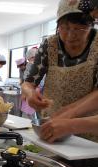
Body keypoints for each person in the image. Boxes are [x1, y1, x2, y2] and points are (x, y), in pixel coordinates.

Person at [21, 0, 98, 142]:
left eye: (79, 29)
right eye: (65, 28)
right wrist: (30, 94)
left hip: (88, 127)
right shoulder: (50, 45)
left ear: (91, 25)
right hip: (52, 121)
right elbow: (28, 83)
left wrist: (70, 113)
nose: (70, 35)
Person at [20, 48, 38, 119]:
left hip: (30, 92)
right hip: (32, 92)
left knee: (28, 114)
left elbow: (27, 80)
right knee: (30, 114)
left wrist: (24, 93)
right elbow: (28, 80)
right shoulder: (34, 65)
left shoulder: (31, 65)